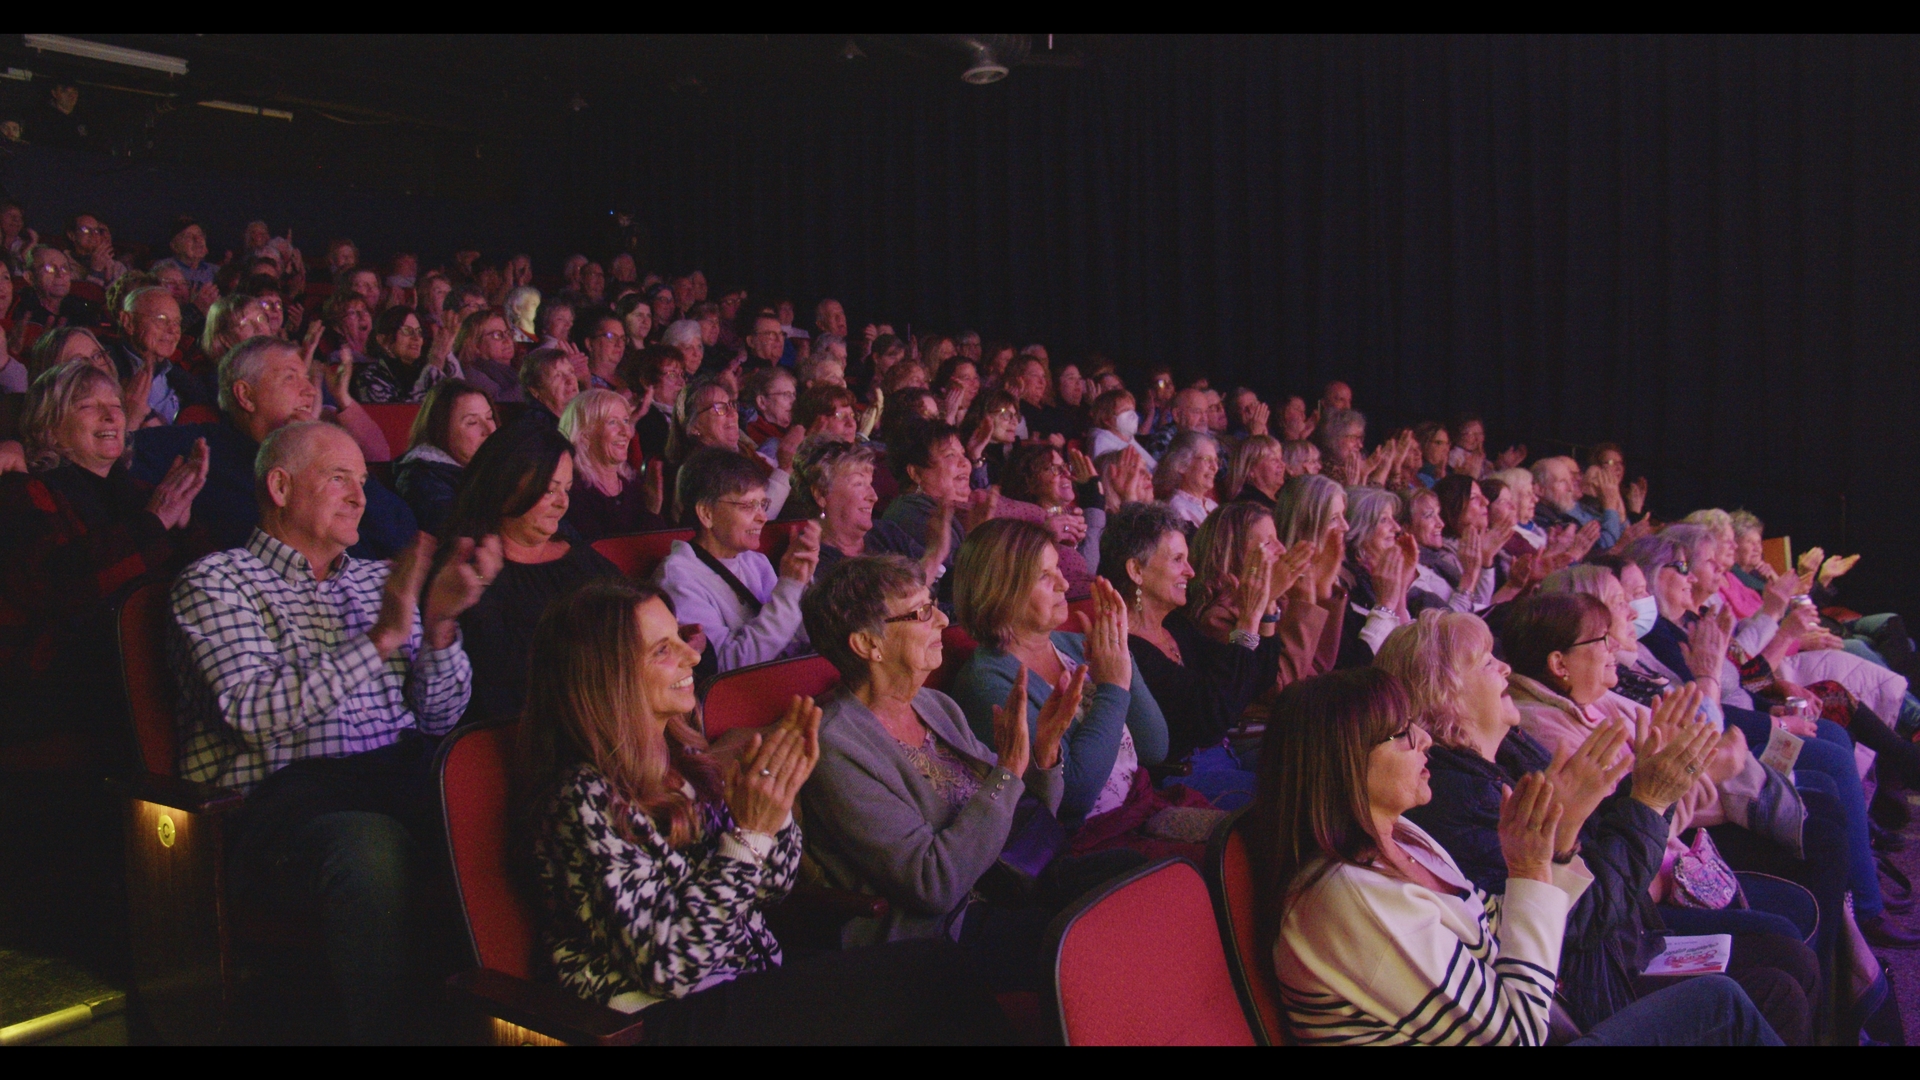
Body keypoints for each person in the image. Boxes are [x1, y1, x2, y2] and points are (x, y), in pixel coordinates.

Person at [515, 578, 1010, 1043]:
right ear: (609, 679)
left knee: (932, 988)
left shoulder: (682, 766)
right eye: (664, 651)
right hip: (660, 1018)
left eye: (680, 639)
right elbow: (670, 965)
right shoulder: (582, 800)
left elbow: (772, 886)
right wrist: (748, 835)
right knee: (935, 974)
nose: (693, 655)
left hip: (746, 976)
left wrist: (777, 807)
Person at [170, 420, 499, 1044]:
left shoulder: (379, 579)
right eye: (338, 479)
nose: (360, 496)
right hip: (283, 809)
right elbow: (249, 712)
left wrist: (438, 629)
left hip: (396, 779)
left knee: (511, 799)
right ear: (280, 486)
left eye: (363, 480)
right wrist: (379, 642)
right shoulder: (218, 581)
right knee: (368, 845)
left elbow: (441, 717)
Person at [1248, 667, 1780, 1046]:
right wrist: (1529, 869)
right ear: (1345, 763)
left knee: (1761, 985)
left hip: (1549, 1010)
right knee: (1721, 1004)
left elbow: (1494, 928)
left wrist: (1552, 847)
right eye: (1401, 734)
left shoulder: (1403, 838)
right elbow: (1521, 1031)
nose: (1425, 740)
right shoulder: (1344, 896)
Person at [1377, 612, 1817, 1042]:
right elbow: (1576, 922)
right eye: (1488, 662)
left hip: (1619, 945)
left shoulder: (1504, 756)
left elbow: (1595, 842)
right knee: (1778, 984)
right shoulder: (1455, 797)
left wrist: (1648, 786)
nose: (1506, 668)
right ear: (1444, 695)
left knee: (1788, 960)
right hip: (1587, 989)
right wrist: (1648, 799)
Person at [800, 555, 1148, 988]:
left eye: (935, 605)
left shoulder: (934, 705)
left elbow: (1021, 818)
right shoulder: (835, 746)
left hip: (1010, 878)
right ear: (868, 645)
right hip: (944, 928)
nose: (944, 620)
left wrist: (1042, 754)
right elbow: (934, 885)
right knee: (1094, 937)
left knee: (1137, 876)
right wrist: (1008, 771)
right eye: (923, 612)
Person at [950, 520, 1191, 851]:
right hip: (1083, 847)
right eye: (1045, 577)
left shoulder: (1076, 646)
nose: (1064, 583)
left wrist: (1122, 657)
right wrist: (1113, 688)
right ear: (1002, 591)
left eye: (1059, 570)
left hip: (1140, 812)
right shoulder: (987, 683)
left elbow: (1154, 747)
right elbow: (1073, 796)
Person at [0, 361, 207, 743]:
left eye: (115, 403)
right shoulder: (26, 492)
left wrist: (182, 528)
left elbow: (198, 585)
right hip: (59, 687)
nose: (112, 414)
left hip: (147, 666)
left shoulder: (144, 492)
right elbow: (60, 586)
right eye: (87, 406)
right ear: (49, 427)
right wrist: (155, 523)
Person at [132, 336, 419, 559]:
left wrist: (322, 448)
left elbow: (402, 535)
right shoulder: (200, 447)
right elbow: (111, 456)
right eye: (290, 378)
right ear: (245, 395)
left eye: (308, 378)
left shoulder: (326, 451)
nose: (309, 391)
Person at [439, 424, 620, 727]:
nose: (563, 502)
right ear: (505, 484)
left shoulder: (582, 559)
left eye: (566, 489)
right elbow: (496, 679)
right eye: (550, 489)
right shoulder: (466, 570)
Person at [654, 448, 818, 675]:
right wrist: (790, 587)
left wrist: (804, 582)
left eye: (763, 504)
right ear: (706, 514)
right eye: (748, 506)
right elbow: (727, 665)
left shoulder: (755, 562)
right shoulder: (678, 577)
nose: (762, 517)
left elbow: (796, 640)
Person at [794, 438, 949, 580]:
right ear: (821, 494)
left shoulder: (886, 532)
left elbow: (939, 583)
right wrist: (936, 552)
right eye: (859, 484)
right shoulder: (811, 558)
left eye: (870, 484)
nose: (873, 496)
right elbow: (890, 606)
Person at [559, 388, 665, 540]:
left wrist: (653, 511)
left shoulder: (634, 484)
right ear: (585, 434)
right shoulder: (571, 491)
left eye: (626, 421)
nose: (626, 432)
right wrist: (651, 511)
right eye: (613, 422)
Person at [394, 377, 495, 538]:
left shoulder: (491, 466)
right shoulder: (422, 479)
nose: (490, 430)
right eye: (472, 422)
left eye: (489, 418)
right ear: (441, 430)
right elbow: (456, 538)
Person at [112, 285, 214, 426]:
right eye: (161, 319)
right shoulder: (106, 369)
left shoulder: (187, 382)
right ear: (128, 322)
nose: (173, 330)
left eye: (177, 322)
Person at [1533, 455, 1623, 551]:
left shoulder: (1559, 514)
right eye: (1562, 482)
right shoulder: (1543, 519)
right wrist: (1610, 505)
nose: (1570, 488)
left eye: (1578, 474)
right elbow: (1603, 547)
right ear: (1540, 489)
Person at [352, 306, 431, 404]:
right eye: (407, 331)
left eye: (419, 332)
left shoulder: (426, 370)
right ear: (383, 340)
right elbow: (398, 414)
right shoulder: (370, 377)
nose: (416, 338)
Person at [1153, 430, 1220, 528]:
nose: (1215, 467)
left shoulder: (1212, 505)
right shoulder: (1177, 509)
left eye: (1216, 461)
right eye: (1207, 459)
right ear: (1182, 465)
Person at [453, 310, 522, 403]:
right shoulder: (473, 375)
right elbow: (499, 403)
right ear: (476, 344)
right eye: (497, 335)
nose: (508, 340)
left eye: (508, 333)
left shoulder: (518, 365)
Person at [1086, 388, 1155, 466]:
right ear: (1107, 419)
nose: (1132, 415)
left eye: (1132, 410)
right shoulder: (1101, 442)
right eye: (1125, 410)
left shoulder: (1128, 438)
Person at [1225, 434, 1286, 508]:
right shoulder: (1248, 507)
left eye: (1281, 459)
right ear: (1251, 469)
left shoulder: (1285, 497)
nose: (1282, 465)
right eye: (1273, 460)